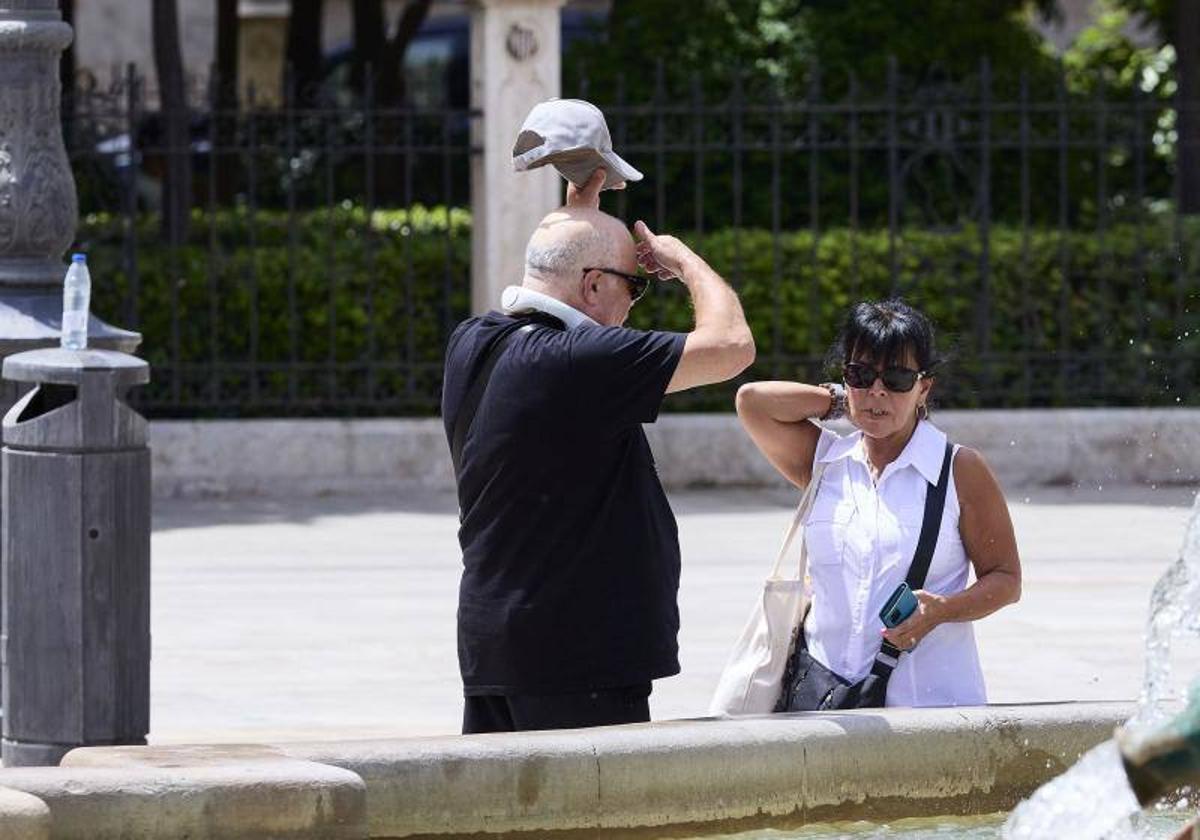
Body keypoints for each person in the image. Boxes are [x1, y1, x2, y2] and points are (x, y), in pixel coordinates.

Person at [441, 170, 755, 733]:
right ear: (591, 285)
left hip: (498, 647)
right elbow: (732, 347)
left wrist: (581, 210)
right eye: (633, 287)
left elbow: (555, 268)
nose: (634, 303)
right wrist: (684, 263)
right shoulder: (577, 363)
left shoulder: (473, 342)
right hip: (575, 659)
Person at [735, 299, 1021, 707]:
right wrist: (841, 401)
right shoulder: (827, 461)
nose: (878, 392)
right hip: (822, 698)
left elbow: (1006, 579)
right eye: (862, 374)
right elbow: (753, 400)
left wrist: (942, 610)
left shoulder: (958, 469)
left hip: (927, 703)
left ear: (924, 387)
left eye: (898, 377)